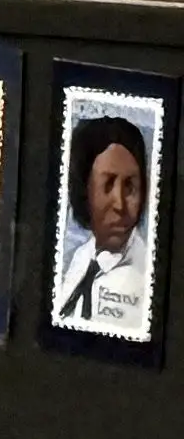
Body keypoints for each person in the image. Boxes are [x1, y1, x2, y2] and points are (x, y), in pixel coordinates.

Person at [56, 112, 152, 326]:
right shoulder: (82, 259)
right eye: (108, 185)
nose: (119, 204)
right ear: (85, 190)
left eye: (130, 186)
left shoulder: (144, 279)